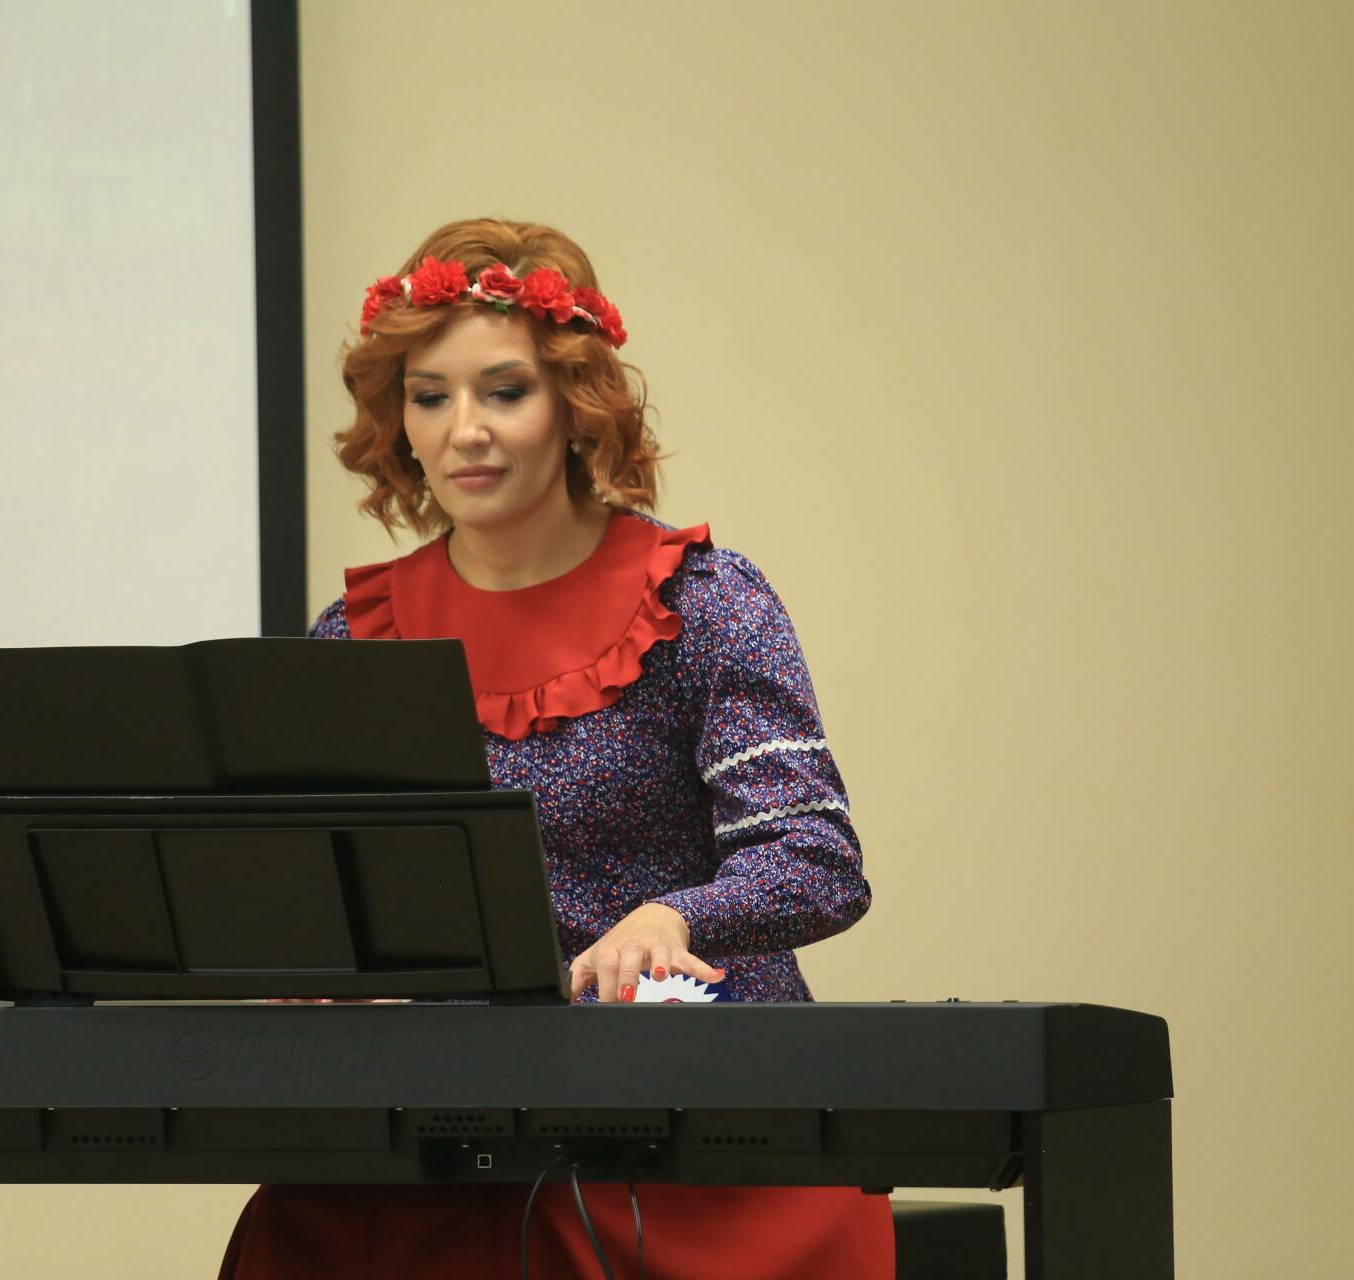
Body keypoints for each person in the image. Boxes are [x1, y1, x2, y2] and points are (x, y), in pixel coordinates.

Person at [218, 218, 892, 1279]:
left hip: (697, 1132)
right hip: (447, 1138)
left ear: (577, 406)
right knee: (301, 1235)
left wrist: (676, 914)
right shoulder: (355, 637)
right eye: (429, 396)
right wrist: (325, 973)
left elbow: (817, 861)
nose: (464, 431)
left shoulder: (705, 602)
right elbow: (333, 895)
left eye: (504, 391)